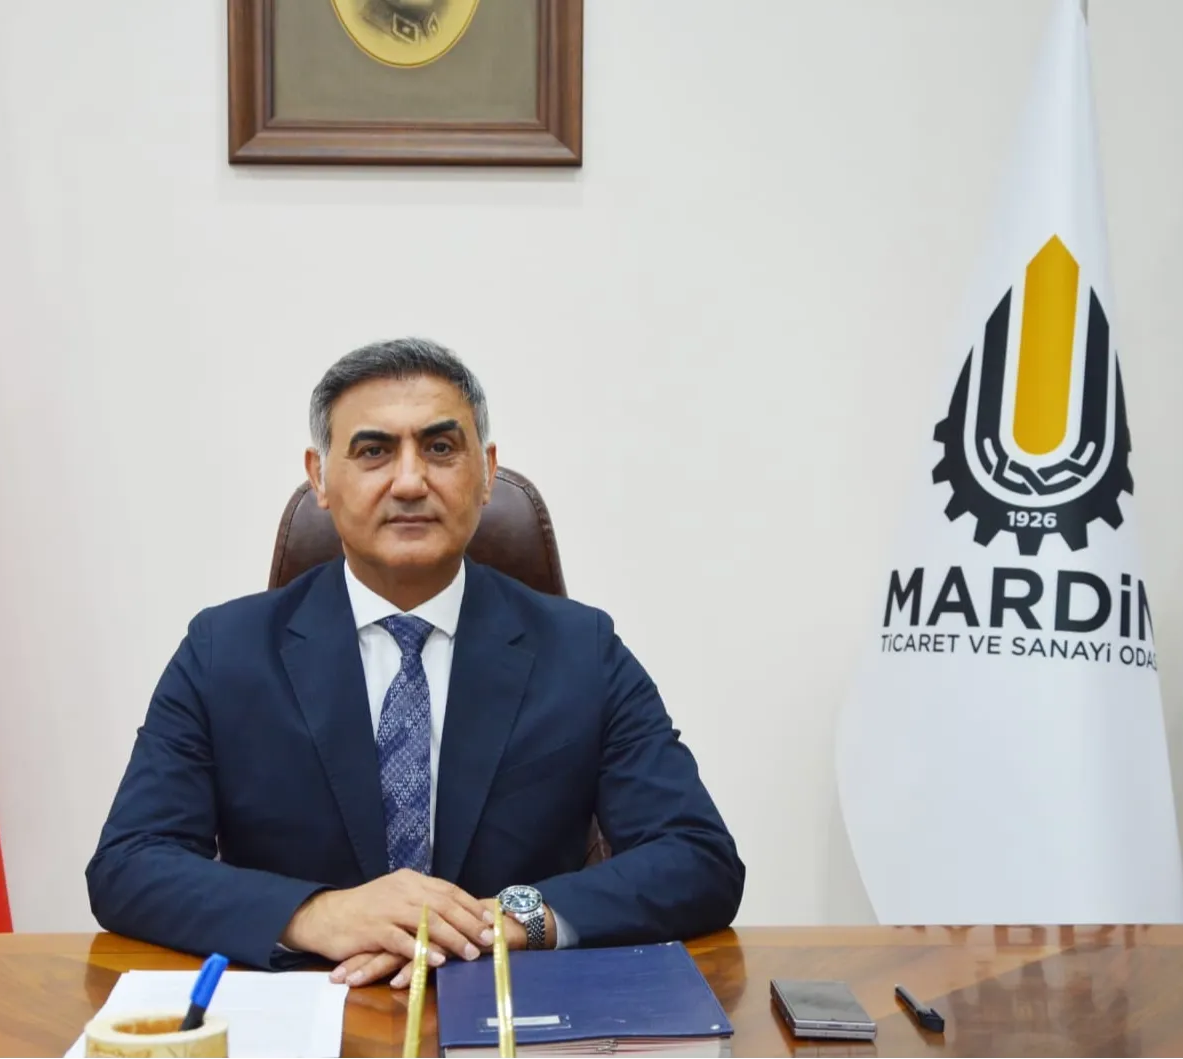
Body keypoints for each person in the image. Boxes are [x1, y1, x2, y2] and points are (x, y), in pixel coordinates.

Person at [86, 338, 743, 988]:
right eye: (374, 451)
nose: (409, 481)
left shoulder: (581, 649)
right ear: (319, 477)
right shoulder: (225, 651)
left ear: (486, 471)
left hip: (509, 1004)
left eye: (440, 448)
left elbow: (698, 856)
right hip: (309, 1000)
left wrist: (498, 922)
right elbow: (129, 862)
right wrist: (317, 913)